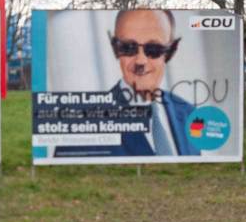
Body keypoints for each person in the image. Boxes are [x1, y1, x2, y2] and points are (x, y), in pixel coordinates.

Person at [54, 9, 200, 157]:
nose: (140, 61)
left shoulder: (190, 115)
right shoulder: (82, 127)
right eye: (129, 48)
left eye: (154, 49)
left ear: (170, 52)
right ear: (116, 49)